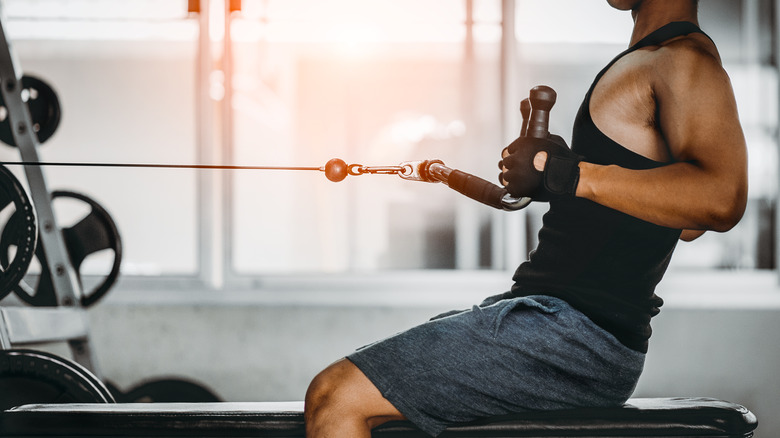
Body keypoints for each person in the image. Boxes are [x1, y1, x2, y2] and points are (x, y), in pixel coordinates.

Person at [304, 0, 748, 437]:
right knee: (385, 409)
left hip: (576, 334)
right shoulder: (650, 58)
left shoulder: (682, 59)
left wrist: (566, 174)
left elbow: (720, 201)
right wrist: (559, 177)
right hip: (558, 320)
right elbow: (683, 221)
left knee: (336, 395)